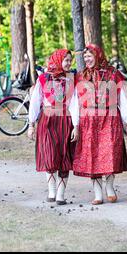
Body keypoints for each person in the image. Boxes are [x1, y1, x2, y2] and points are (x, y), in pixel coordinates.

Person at [71, 44, 127, 205]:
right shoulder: (80, 76)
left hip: (109, 117)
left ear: (98, 55)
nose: (87, 59)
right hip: (88, 120)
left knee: (111, 152)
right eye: (85, 57)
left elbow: (123, 98)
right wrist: (75, 124)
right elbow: (75, 102)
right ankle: (98, 193)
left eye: (90, 56)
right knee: (92, 156)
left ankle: (110, 187)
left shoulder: (113, 74)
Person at [27, 49, 79, 205]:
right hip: (48, 120)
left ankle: (61, 195)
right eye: (66, 60)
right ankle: (51, 191)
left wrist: (76, 125)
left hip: (66, 120)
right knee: (49, 155)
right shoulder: (43, 79)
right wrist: (31, 124)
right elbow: (35, 102)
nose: (69, 63)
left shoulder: (71, 79)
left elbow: (75, 103)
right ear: (57, 60)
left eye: (70, 60)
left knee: (64, 157)